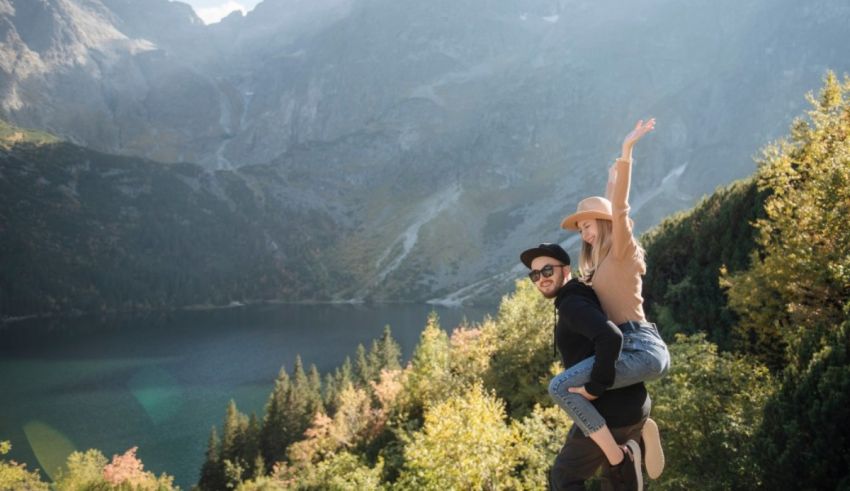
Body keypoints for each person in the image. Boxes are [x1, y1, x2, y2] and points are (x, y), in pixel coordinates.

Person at [552, 119, 669, 482]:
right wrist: (609, 180)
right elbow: (607, 208)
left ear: (603, 224)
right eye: (581, 229)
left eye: (588, 225)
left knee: (561, 387)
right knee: (579, 389)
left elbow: (618, 210)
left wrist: (626, 152)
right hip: (630, 350)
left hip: (642, 347)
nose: (584, 233)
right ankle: (641, 427)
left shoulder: (623, 249)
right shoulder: (602, 263)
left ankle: (618, 455)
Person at [520, 243, 649, 491]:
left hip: (611, 412)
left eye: (547, 271)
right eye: (534, 275)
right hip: (631, 405)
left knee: (563, 479)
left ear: (565, 269)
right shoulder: (580, 296)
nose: (541, 279)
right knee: (610, 478)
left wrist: (595, 387)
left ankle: (626, 462)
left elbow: (610, 337)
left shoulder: (571, 303)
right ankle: (627, 459)